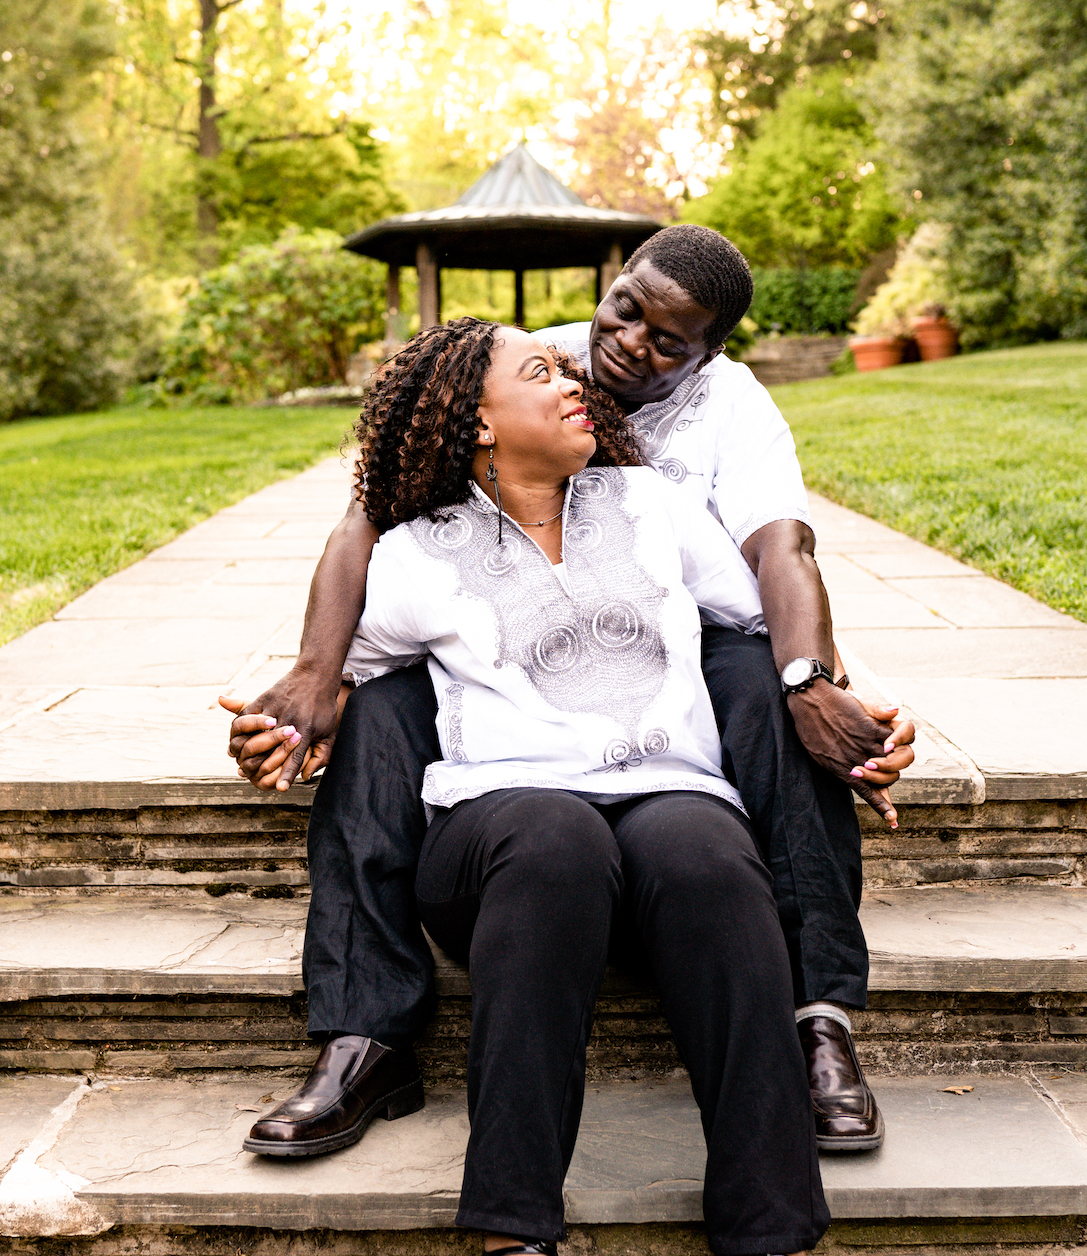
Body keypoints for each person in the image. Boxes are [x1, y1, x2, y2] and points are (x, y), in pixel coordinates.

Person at [225, 226, 914, 1154]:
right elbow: (368, 515)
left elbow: (781, 552)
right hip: (509, 628)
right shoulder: (531, 364)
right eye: (624, 311)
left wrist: (816, 683)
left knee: (771, 690)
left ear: (709, 353)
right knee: (379, 715)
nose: (626, 344)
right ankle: (365, 1034)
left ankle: (811, 1016)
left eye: (666, 342)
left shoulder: (733, 406)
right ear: (615, 283)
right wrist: (318, 676)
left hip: (681, 629)